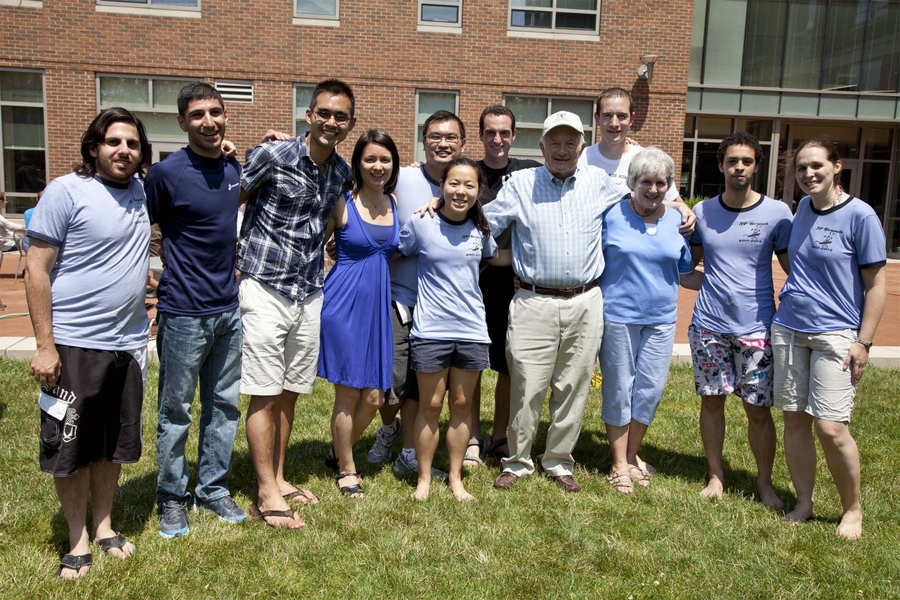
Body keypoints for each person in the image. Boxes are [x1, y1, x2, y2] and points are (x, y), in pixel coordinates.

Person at [485, 111, 693, 493]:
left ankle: (560, 460)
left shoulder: (600, 183)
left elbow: (647, 193)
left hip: (585, 301)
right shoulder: (520, 184)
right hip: (533, 300)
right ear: (543, 146)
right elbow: (486, 224)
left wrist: (679, 206)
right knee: (527, 385)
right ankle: (517, 461)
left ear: (582, 148)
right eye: (555, 142)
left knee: (574, 384)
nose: (562, 150)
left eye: (570, 143)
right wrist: (443, 209)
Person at [25, 108, 151, 579]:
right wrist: (44, 344)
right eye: (114, 142)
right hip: (74, 344)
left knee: (111, 444)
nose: (123, 150)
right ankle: (76, 538)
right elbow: (36, 268)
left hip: (129, 346)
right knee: (70, 445)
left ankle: (104, 526)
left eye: (133, 144)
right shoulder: (65, 191)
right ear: (94, 146)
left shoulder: (142, 192)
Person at [239, 79, 356, 529]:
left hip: (308, 292)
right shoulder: (272, 154)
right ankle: (266, 491)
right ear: (309, 115)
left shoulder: (340, 172)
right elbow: (232, 196)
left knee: (289, 392)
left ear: (349, 123)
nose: (331, 122)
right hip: (265, 286)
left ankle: (281, 477)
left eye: (340, 116)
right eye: (323, 113)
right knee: (265, 392)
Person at [145, 82, 246, 538]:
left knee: (223, 407)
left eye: (216, 113)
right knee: (177, 410)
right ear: (182, 121)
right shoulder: (166, 174)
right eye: (199, 114)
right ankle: (171, 496)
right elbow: (141, 224)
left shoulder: (232, 169)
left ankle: (213, 488)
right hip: (183, 312)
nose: (209, 121)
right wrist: (150, 273)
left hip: (228, 309)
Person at [772, 139, 886, 540]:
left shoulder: (861, 216)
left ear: (837, 166)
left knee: (831, 427)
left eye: (817, 166)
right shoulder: (801, 208)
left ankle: (852, 509)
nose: (809, 174)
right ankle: (804, 501)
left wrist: (864, 342)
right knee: (794, 420)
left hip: (836, 335)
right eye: (802, 168)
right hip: (788, 328)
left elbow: (876, 286)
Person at [689, 132, 792, 508]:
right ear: (721, 165)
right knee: (712, 403)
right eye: (732, 161)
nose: (739, 168)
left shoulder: (778, 214)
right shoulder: (702, 212)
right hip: (709, 327)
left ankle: (764, 484)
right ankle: (716, 476)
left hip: (757, 329)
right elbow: (688, 263)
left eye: (746, 161)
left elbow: (794, 269)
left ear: (755, 166)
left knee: (758, 411)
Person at [399, 157, 507, 501]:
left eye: (469, 185)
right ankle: (425, 478)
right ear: (442, 186)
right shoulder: (421, 222)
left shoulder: (482, 228)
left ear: (479, 191)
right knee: (430, 406)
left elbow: (492, 257)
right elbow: (392, 252)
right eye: (454, 184)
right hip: (430, 329)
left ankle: (456, 478)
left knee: (461, 404)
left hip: (473, 331)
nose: (461, 191)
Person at [365, 111, 466, 480]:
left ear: (462, 144)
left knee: (421, 383)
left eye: (451, 137)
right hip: (398, 296)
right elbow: (359, 181)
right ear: (423, 141)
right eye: (435, 136)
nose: (443, 143)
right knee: (391, 378)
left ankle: (409, 450)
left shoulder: (465, 184)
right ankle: (390, 429)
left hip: (441, 308)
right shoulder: (402, 177)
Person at [600, 147, 701, 494]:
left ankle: (631, 455)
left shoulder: (677, 221)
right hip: (619, 317)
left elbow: (685, 273)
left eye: (661, 183)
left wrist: (726, 282)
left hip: (661, 319)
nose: (653, 189)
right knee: (618, 388)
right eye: (646, 181)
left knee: (650, 390)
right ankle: (618, 463)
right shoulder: (611, 215)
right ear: (632, 183)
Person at [317, 129, 400, 498]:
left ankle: (338, 448)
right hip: (343, 306)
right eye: (370, 159)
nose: (377, 166)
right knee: (349, 394)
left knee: (375, 398)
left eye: (384, 159)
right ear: (358, 163)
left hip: (378, 310)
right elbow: (311, 244)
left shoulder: (395, 202)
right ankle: (347, 469)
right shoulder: (342, 202)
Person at [466, 105, 541, 466]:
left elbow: (576, 167)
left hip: (514, 288)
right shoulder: (467, 172)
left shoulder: (528, 173)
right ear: (480, 135)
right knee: (474, 365)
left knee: (508, 365)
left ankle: (499, 436)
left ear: (514, 135)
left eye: (504, 133)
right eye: (490, 132)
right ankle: (472, 438)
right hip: (472, 286)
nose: (497, 139)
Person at [577, 87, 679, 201]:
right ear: (597, 119)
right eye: (607, 115)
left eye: (621, 116)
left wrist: (679, 207)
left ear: (632, 119)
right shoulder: (581, 160)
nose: (614, 123)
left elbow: (675, 204)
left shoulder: (646, 160)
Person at [0, 191, 26, 308]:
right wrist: (24, 228)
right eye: (5, 199)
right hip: (6, 245)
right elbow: (10, 225)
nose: (6, 202)